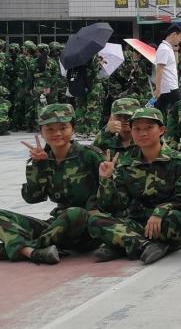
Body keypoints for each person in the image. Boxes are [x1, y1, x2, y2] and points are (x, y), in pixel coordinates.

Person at [87, 107, 181, 264]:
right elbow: (114, 206)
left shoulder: (179, 161)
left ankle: (123, 243)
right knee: (95, 220)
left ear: (161, 130)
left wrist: (160, 212)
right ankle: (143, 245)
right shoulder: (126, 165)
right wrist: (106, 180)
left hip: (167, 222)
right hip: (138, 222)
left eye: (149, 128)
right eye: (137, 129)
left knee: (175, 219)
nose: (143, 133)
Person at [0, 104, 103, 264]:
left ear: (73, 129)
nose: (57, 133)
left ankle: (25, 249)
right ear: (41, 132)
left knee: (74, 212)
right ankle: (31, 251)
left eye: (63, 127)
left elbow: (110, 192)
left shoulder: (89, 156)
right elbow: (33, 198)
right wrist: (38, 165)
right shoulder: (43, 159)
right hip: (55, 226)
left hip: (87, 229)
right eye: (50, 129)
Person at [153, 24, 181, 116]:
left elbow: (176, 63)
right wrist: (158, 88)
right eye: (180, 37)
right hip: (169, 87)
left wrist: (176, 50)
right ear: (174, 34)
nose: (180, 40)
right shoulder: (164, 49)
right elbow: (159, 69)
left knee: (159, 111)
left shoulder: (168, 48)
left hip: (169, 87)